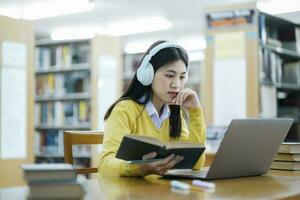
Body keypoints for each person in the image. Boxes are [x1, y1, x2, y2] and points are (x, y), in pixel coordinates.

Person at [98, 40, 206, 177]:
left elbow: (195, 164)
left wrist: (196, 111)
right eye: (170, 75)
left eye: (182, 77)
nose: (176, 84)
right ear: (147, 74)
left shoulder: (175, 112)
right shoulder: (125, 110)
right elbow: (105, 165)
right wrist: (138, 168)